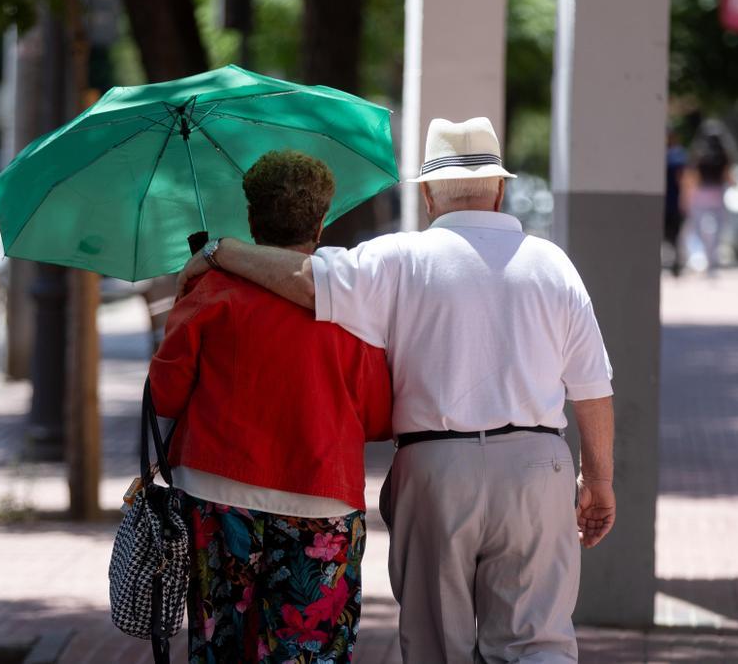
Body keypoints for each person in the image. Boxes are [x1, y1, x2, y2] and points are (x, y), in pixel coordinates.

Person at [177, 117, 617, 663]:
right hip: (536, 467)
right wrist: (596, 479)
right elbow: (593, 385)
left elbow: (301, 279)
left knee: (438, 643)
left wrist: (220, 252)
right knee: (537, 641)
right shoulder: (554, 265)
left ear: (429, 195)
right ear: (499, 189)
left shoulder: (397, 258)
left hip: (436, 469)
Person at [149, 150, 393, 663]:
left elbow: (166, 394)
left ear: (252, 219)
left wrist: (183, 299)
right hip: (320, 498)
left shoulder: (210, 291)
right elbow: (376, 416)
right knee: (311, 651)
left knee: (221, 647)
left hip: (219, 494)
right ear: (322, 220)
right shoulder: (350, 303)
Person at [682, 118, 738, 275]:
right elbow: (730, 177)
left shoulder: (698, 153)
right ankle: (712, 262)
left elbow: (692, 178)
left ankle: (703, 258)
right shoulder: (725, 154)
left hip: (700, 196)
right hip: (718, 195)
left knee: (698, 230)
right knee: (718, 231)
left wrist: (686, 198)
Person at [665, 127, 689, 276]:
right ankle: (675, 261)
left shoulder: (676, 155)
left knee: (674, 235)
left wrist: (684, 200)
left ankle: (676, 262)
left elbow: (683, 179)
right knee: (672, 235)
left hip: (672, 202)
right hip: (670, 202)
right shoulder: (674, 155)